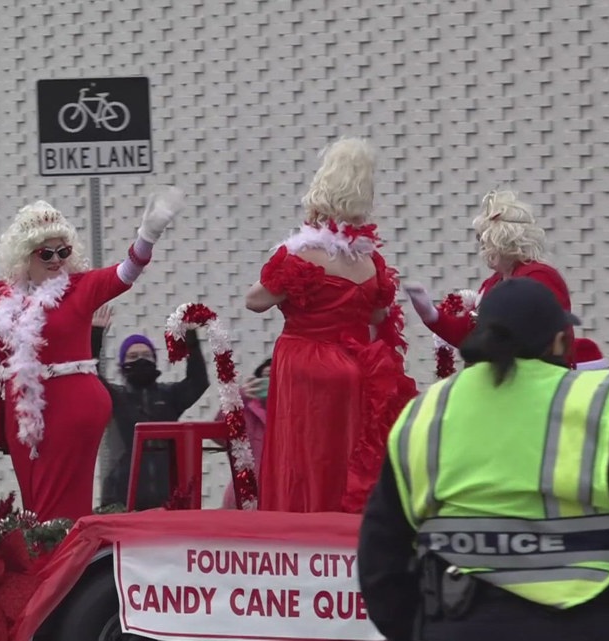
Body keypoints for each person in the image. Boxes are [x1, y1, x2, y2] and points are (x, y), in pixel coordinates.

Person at [359, 277, 609, 641]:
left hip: (459, 623)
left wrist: (424, 630)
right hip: (588, 622)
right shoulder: (605, 402)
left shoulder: (426, 412)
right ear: (561, 341)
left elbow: (381, 559)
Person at [0, 189, 184, 521]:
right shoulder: (6, 300)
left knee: (57, 505)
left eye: (62, 252)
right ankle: (42, 564)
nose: (56, 260)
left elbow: (126, 273)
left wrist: (147, 235)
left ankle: (61, 566)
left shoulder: (80, 287)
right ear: (25, 257)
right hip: (22, 409)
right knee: (33, 501)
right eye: (45, 254)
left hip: (71, 404)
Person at [244, 137, 416, 513]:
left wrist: (300, 301)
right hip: (352, 367)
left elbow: (255, 301)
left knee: (302, 459)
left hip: (303, 365)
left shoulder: (302, 255)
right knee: (345, 457)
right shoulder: (371, 264)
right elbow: (378, 317)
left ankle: (300, 537)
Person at [405, 189, 605, 368]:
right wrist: (430, 314)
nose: (482, 250)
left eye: (485, 243)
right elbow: (470, 335)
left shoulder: (539, 277)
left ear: (504, 243)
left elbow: (542, 338)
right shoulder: (493, 282)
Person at [90, 304, 210, 510]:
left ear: (155, 361)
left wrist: (190, 340)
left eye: (146, 356)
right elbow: (90, 378)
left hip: (168, 499)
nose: (140, 361)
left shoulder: (169, 396)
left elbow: (198, 382)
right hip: (121, 500)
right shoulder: (116, 398)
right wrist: (95, 336)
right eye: (133, 357)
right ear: (122, 364)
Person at [219, 358, 270, 509]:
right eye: (265, 377)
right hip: (244, 495)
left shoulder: (295, 414)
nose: (269, 382)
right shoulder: (245, 409)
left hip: (281, 496)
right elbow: (220, 433)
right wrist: (239, 397)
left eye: (275, 377)